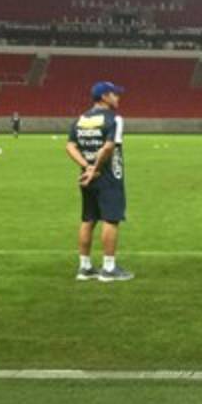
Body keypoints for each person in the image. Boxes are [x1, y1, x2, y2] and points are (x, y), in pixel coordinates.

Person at [65, 81, 132, 282]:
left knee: (88, 219)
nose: (118, 97)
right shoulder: (115, 119)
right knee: (111, 219)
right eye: (115, 94)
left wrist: (86, 167)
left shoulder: (81, 119)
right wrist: (95, 167)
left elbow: (70, 146)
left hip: (86, 178)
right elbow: (109, 147)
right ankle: (109, 269)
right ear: (104, 97)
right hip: (109, 175)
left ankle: (84, 267)